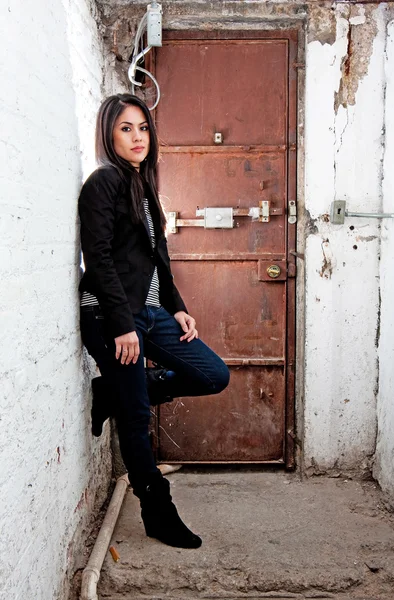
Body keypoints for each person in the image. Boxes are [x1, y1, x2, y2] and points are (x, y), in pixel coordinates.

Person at [78, 93, 230, 549]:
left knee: (211, 374)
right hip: (111, 316)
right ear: (108, 133)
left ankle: (112, 391)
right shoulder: (103, 182)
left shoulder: (142, 186)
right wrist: (122, 324)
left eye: (142, 127)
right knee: (136, 416)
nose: (137, 136)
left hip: (149, 312)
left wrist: (177, 305)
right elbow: (98, 258)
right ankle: (157, 511)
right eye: (126, 128)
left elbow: (159, 257)